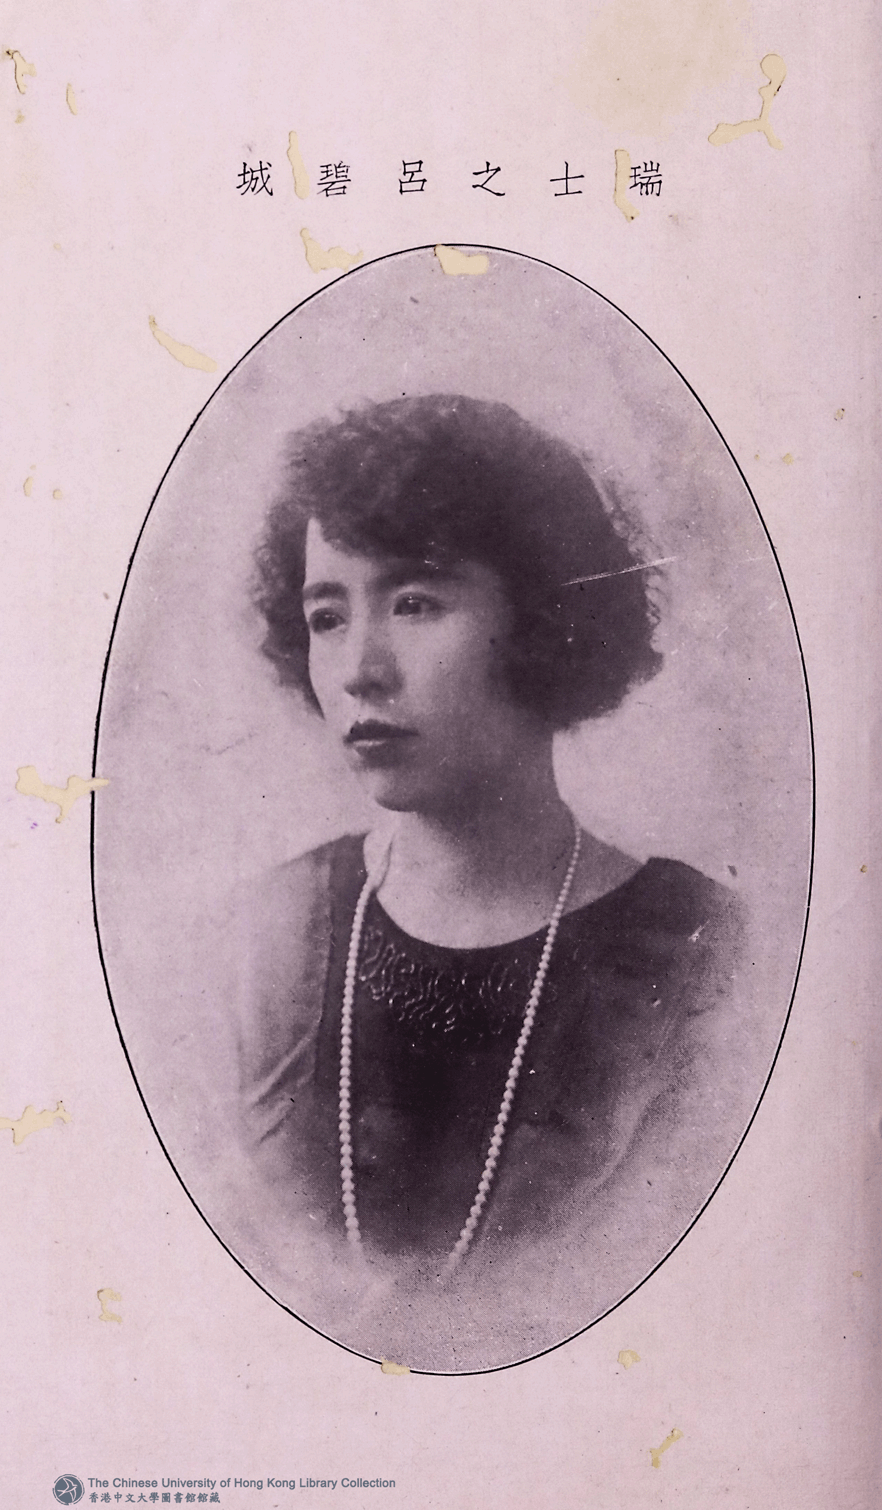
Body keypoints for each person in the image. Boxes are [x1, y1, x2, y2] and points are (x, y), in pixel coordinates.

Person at [234, 393, 743, 1286]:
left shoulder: (703, 953)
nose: (358, 670)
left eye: (415, 602)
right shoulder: (274, 932)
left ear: (546, 618)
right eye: (327, 617)